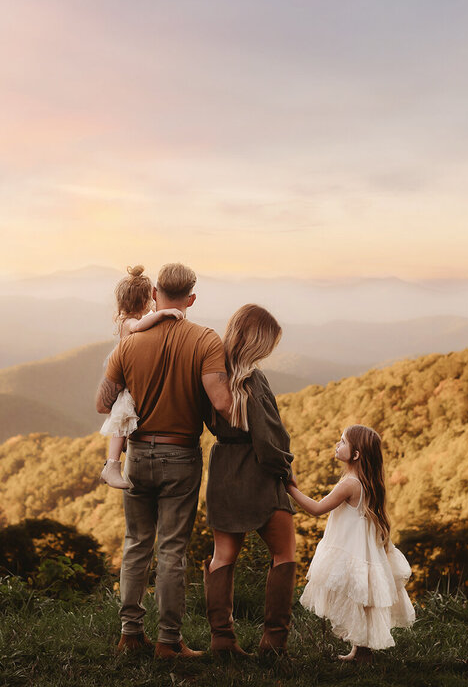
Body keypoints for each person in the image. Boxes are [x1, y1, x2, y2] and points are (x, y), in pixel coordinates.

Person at [96, 262, 232, 659]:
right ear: (191, 298)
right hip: (181, 455)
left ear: (155, 293)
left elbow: (104, 403)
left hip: (137, 454)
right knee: (172, 550)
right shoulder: (206, 340)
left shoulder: (129, 343)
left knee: (136, 543)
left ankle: (130, 634)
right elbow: (222, 402)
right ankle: (169, 643)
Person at [203, 304, 295, 657]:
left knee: (222, 556)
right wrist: (286, 471)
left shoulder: (210, 375)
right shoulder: (253, 380)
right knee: (284, 554)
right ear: (258, 342)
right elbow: (270, 440)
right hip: (259, 474)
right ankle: (273, 643)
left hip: (223, 469)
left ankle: (222, 640)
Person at [287, 424, 415, 664]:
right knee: (361, 599)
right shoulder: (367, 481)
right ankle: (361, 651)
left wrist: (290, 488)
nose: (338, 445)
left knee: (357, 597)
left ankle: (362, 653)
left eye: (343, 442)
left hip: (352, 550)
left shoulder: (350, 483)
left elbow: (316, 509)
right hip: (365, 551)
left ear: (355, 455)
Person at [98, 265, 184, 490]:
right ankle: (112, 465)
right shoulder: (130, 322)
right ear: (147, 301)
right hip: (125, 378)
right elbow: (138, 326)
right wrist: (162, 313)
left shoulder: (127, 320)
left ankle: (118, 457)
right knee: (122, 418)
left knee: (125, 419)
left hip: (130, 375)